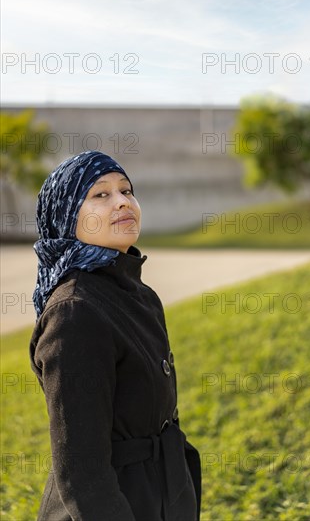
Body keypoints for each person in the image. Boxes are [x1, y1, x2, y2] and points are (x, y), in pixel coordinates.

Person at [29, 151, 201, 521]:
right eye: (101, 195)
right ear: (66, 216)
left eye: (126, 190)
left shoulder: (139, 294)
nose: (122, 201)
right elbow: (82, 475)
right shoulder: (75, 312)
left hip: (158, 495)